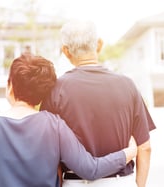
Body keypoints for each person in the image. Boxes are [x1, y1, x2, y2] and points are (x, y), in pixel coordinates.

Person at [0, 54, 137, 187]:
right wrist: (128, 153)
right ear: (43, 94)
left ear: (10, 85)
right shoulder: (54, 126)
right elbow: (90, 169)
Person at [40, 20, 156, 187]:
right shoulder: (127, 85)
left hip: (75, 182)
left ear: (66, 51)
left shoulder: (55, 91)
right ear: (99, 44)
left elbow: (51, 155)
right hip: (121, 182)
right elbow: (145, 148)